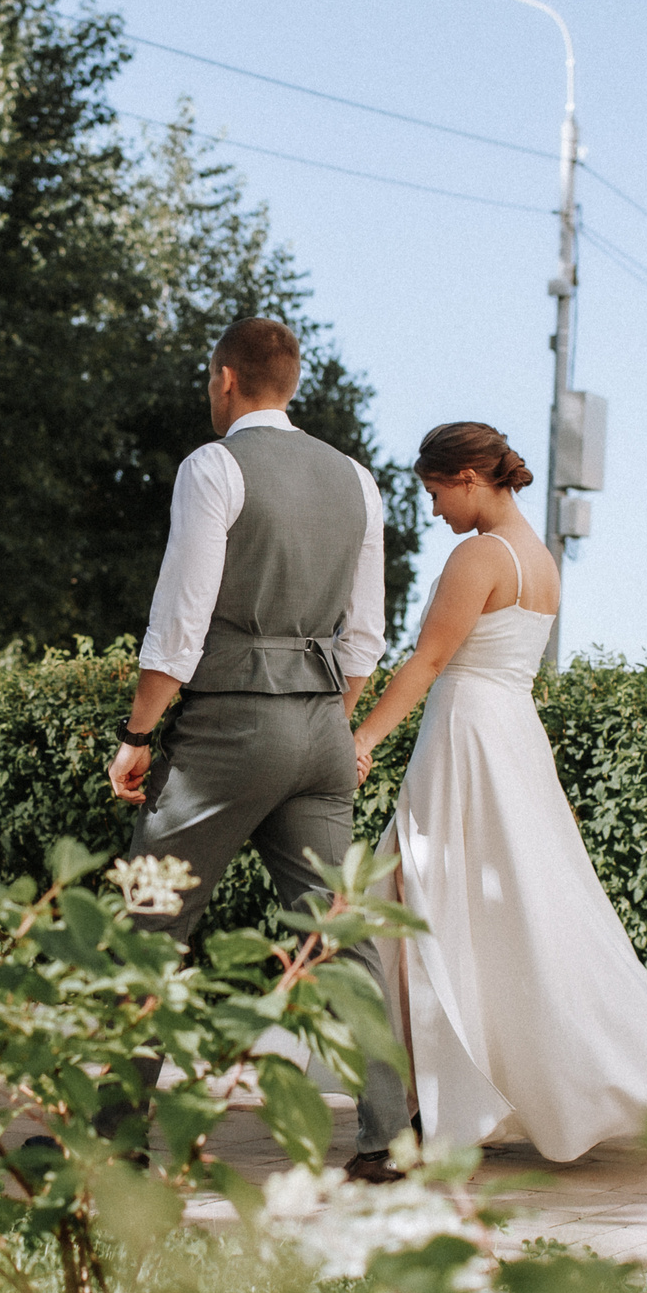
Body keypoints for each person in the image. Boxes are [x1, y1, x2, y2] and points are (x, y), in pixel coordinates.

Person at [351, 421, 647, 1164]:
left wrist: (363, 738)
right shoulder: (541, 562)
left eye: (438, 490)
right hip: (510, 735)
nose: (436, 509)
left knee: (426, 910)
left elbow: (429, 661)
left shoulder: (478, 554)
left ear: (473, 475)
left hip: (467, 738)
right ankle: (438, 1098)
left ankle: (427, 1111)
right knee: (496, 914)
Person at [107, 316, 412, 1183]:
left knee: (148, 922)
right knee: (340, 935)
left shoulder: (214, 467)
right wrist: (329, 716)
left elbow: (180, 621)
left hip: (229, 728)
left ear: (225, 380)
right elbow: (366, 636)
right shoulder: (358, 480)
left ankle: (114, 1134)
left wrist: (137, 737)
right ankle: (391, 1136)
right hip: (320, 726)